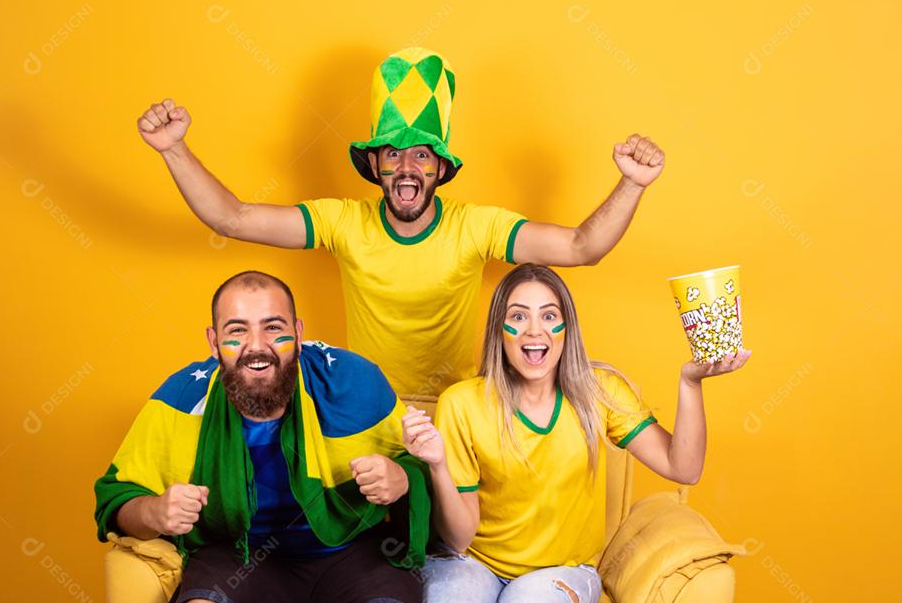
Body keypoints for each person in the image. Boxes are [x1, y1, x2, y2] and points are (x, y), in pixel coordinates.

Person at [136, 47, 666, 401]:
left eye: (422, 156)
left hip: (459, 413)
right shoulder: (343, 221)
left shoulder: (475, 227)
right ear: (375, 164)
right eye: (393, 154)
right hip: (367, 411)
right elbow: (232, 217)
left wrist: (633, 183)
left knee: (448, 558)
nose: (408, 168)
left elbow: (581, 247)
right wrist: (174, 149)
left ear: (440, 168)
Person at [400, 264, 751, 603]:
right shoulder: (462, 404)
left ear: (567, 328)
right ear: (500, 329)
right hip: (472, 563)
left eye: (549, 316)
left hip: (561, 569)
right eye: (518, 316)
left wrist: (690, 383)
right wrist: (439, 465)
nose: (535, 331)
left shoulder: (599, 392)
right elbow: (460, 539)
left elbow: (684, 469)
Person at [93, 271, 431, 603]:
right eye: (237, 330)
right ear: (213, 341)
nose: (257, 347)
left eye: (274, 328)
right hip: (240, 550)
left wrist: (401, 478)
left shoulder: (354, 383)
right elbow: (116, 499)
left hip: (346, 549)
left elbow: (422, 464)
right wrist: (155, 511)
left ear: (299, 332)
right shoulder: (181, 400)